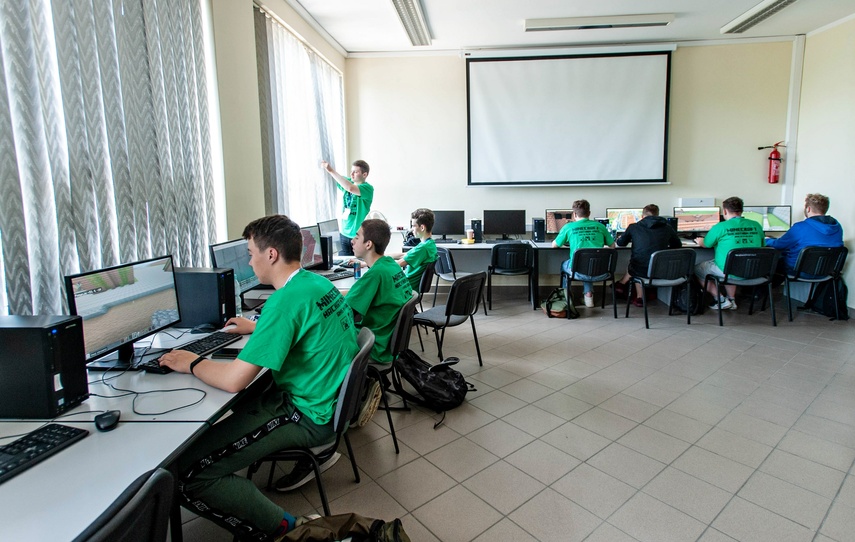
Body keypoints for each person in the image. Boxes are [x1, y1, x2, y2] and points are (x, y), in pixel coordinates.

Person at [158, 215, 358, 541]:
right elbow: (301, 323)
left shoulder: (284, 302)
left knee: (186, 475)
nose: (249, 262)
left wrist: (192, 362)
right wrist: (258, 326)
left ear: (271, 254)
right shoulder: (315, 284)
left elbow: (233, 381)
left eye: (251, 253)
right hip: (326, 400)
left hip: (307, 414)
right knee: (236, 410)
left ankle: (286, 530)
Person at [346, 219, 413, 364]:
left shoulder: (375, 275)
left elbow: (345, 311)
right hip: (387, 342)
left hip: (375, 345)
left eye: (357, 237)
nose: (352, 241)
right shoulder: (390, 265)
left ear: (368, 244)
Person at [694, 196, 764, 311]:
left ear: (725, 211)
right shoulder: (756, 225)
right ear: (741, 210)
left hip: (729, 271)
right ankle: (731, 299)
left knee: (697, 269)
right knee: (733, 265)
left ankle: (720, 299)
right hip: (753, 271)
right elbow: (762, 245)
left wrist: (700, 240)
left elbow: (706, 244)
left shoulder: (720, 227)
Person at [615, 204, 682, 307]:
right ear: (658, 215)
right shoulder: (667, 227)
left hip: (640, 269)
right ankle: (622, 284)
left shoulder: (634, 227)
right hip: (662, 269)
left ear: (643, 216)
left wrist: (622, 238)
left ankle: (639, 297)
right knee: (639, 263)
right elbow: (677, 245)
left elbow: (620, 243)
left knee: (636, 264)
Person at [552, 199, 615, 307]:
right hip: (602, 273)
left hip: (578, 272)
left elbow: (554, 245)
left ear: (574, 214)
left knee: (566, 264)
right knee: (590, 262)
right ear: (589, 213)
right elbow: (612, 246)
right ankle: (588, 296)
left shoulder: (569, 227)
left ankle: (567, 297)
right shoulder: (600, 226)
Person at [765, 193, 843, 275]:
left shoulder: (800, 227)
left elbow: (779, 245)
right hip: (826, 272)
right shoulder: (837, 227)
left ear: (808, 209)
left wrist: (766, 240)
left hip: (798, 271)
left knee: (775, 258)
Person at [321, 159, 374, 256]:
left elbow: (350, 188)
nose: (351, 174)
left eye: (355, 172)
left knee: (358, 263)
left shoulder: (368, 188)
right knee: (343, 263)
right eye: (351, 171)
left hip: (358, 236)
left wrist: (330, 170)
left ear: (364, 174)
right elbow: (337, 179)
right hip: (343, 234)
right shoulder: (348, 182)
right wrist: (325, 168)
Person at [391, 208, 437, 291]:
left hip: (405, 288)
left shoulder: (423, 248)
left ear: (422, 227)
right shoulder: (429, 244)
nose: (411, 229)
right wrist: (381, 256)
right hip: (405, 283)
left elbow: (397, 264)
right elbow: (404, 255)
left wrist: (370, 262)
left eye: (413, 226)